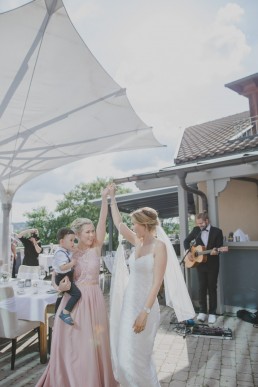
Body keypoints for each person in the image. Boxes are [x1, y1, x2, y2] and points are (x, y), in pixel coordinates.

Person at [108, 183, 195, 387]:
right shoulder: (137, 242)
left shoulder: (160, 247)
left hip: (146, 307)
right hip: (129, 305)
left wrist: (144, 312)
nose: (132, 227)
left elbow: (157, 282)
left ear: (144, 224)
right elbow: (118, 222)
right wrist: (112, 198)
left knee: (139, 357)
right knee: (124, 355)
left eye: (135, 224)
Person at [36, 187, 118, 387]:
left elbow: (102, 222)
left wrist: (105, 199)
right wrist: (60, 287)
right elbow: (55, 278)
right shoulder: (68, 253)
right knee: (77, 346)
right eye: (87, 232)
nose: (92, 235)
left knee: (95, 343)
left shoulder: (96, 248)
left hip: (95, 299)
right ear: (78, 235)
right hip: (75, 302)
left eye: (92, 231)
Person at [184, 212, 223, 324]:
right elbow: (186, 241)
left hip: (212, 264)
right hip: (200, 264)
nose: (200, 225)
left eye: (201, 223)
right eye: (198, 223)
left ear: (207, 221)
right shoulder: (196, 230)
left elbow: (219, 247)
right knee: (202, 288)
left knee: (212, 288)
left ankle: (212, 313)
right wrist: (189, 252)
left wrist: (217, 252)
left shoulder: (217, 231)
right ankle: (202, 312)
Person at [52, 227, 81, 325]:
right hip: (63, 278)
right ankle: (65, 312)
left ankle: (56, 314)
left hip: (65, 277)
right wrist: (72, 263)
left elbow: (75, 249)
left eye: (74, 240)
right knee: (77, 294)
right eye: (71, 240)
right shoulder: (60, 253)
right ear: (62, 241)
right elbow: (63, 267)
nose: (73, 243)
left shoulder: (65, 250)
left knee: (61, 296)